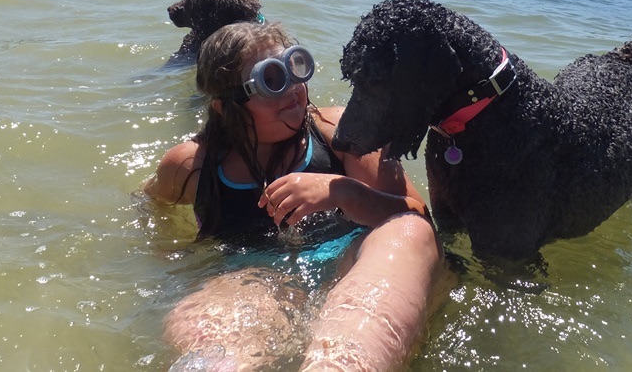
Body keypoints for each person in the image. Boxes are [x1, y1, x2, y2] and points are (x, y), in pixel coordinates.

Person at [142, 20, 444, 370]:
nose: (293, 90)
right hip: (255, 286)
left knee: (409, 231)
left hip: (354, 271)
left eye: (295, 67)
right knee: (211, 339)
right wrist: (173, 256)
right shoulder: (193, 165)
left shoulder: (341, 133)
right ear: (225, 107)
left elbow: (417, 218)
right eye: (271, 80)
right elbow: (150, 203)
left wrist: (343, 192)